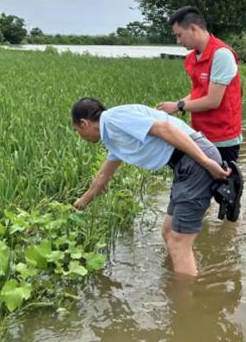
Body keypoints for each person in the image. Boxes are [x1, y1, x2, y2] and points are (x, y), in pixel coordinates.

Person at [70, 97, 230, 277]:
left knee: (178, 242)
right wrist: (80, 204)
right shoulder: (112, 135)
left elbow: (164, 128)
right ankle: (185, 274)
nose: (80, 136)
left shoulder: (114, 119)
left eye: (77, 131)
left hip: (196, 159)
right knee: (169, 232)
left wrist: (207, 163)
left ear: (84, 123)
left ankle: (186, 300)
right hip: (186, 164)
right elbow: (103, 176)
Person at [157, 6, 242, 163]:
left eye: (179, 35)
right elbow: (198, 92)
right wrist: (174, 106)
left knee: (223, 185)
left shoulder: (221, 54)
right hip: (199, 135)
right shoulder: (191, 59)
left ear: (193, 28)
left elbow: (212, 101)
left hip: (222, 138)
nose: (178, 41)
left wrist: (178, 106)